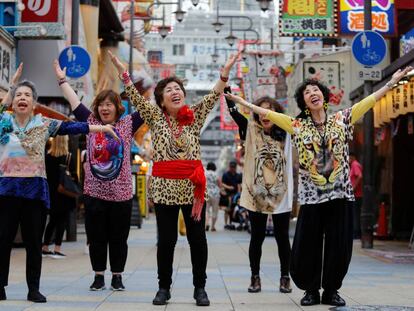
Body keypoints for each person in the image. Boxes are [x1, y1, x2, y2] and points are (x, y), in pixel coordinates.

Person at [224, 65, 412, 307]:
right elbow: (265, 113)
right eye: (306, 92)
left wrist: (390, 83)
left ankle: (331, 290)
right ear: (304, 103)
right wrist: (240, 100)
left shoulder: (342, 118)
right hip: (312, 198)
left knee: (338, 246)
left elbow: (369, 101)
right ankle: (311, 290)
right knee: (308, 245)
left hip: (340, 195)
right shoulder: (297, 125)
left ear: (324, 96)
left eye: (315, 90)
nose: (312, 93)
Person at [109, 50, 239, 306]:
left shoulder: (194, 116)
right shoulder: (155, 117)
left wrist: (225, 73)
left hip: (193, 189)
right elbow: (134, 96)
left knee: (197, 240)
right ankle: (163, 287)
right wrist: (122, 71)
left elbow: (214, 95)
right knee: (166, 241)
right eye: (168, 89)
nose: (174, 91)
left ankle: (199, 288)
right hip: (165, 187)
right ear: (161, 98)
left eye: (177, 88)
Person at [0, 64, 118, 303]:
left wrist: (101, 127)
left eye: (28, 96)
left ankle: (33, 288)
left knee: (34, 243)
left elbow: (72, 126)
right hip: (6, 189)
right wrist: (11, 87)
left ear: (34, 103)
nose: (23, 99)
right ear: (14, 101)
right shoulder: (4, 120)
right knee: (2, 241)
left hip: (34, 191)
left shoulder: (43, 123)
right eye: (19, 95)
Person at [53, 60, 144, 291]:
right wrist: (62, 81)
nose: (104, 108)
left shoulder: (126, 125)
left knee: (118, 239)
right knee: (96, 237)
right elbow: (74, 101)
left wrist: (125, 76)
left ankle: (117, 276)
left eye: (109, 104)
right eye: (101, 104)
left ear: (117, 107)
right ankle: (98, 275)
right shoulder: (90, 121)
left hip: (121, 194)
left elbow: (144, 107)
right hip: (94, 194)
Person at [225, 90, 294, 294]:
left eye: (269, 110)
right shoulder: (250, 129)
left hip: (281, 193)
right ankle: (255, 277)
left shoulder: (287, 131)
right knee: (257, 237)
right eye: (261, 110)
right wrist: (228, 96)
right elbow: (235, 114)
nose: (265, 114)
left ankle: (285, 277)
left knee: (283, 237)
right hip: (256, 193)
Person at [42, 135, 73, 259]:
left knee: (52, 220)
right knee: (62, 221)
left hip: (51, 192)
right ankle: (57, 248)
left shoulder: (47, 157)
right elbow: (73, 176)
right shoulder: (68, 157)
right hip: (64, 192)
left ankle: (45, 247)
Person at [221, 160, 242, 229]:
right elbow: (222, 184)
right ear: (229, 167)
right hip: (228, 194)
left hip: (236, 195)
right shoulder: (225, 174)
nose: (232, 168)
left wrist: (239, 194)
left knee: (235, 209)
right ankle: (226, 223)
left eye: (234, 167)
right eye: (231, 167)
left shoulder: (238, 175)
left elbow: (239, 185)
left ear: (235, 167)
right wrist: (228, 187)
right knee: (227, 209)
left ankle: (234, 223)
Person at [349, 152, 362, 239]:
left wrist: (353, 188)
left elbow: (360, 176)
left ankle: (356, 233)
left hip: (356, 194)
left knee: (355, 214)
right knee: (355, 213)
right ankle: (356, 232)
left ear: (352, 157)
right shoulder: (354, 165)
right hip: (356, 194)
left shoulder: (354, 164)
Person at [205, 162, 220, 232]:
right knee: (215, 211)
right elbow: (219, 184)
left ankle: (206, 223)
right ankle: (213, 226)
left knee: (206, 210)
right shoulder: (216, 174)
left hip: (206, 193)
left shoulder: (205, 173)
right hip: (215, 194)